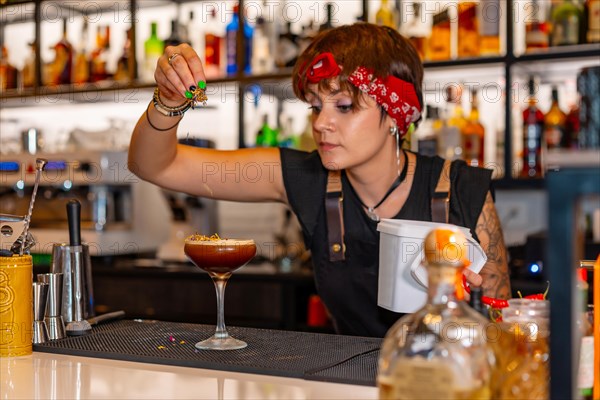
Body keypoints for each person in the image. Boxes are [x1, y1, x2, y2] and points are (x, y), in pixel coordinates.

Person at [129, 23, 511, 337]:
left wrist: (476, 316)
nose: (321, 123)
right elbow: (155, 166)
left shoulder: (461, 190)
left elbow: (501, 332)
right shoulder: (307, 178)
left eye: (344, 106)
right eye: (315, 106)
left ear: (396, 114)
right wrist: (168, 100)